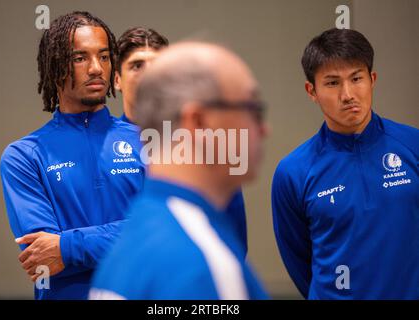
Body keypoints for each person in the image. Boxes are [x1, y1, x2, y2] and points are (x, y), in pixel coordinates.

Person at [89, 42, 269, 299]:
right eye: (252, 109)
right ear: (198, 122)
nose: (264, 129)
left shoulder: (140, 233)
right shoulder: (199, 264)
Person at [0, 12, 145, 299]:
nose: (96, 69)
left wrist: (66, 248)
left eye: (104, 57)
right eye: (80, 58)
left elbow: (163, 232)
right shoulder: (23, 156)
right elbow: (42, 258)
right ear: (55, 68)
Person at [271, 28, 419, 299]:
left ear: (372, 79)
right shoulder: (293, 172)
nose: (348, 94)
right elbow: (299, 259)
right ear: (311, 91)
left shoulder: (413, 145)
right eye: (332, 83)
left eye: (356, 78)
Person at [114, 27, 248, 254]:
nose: (148, 75)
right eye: (137, 66)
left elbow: (232, 235)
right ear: (117, 80)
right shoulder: (102, 146)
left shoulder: (204, 144)